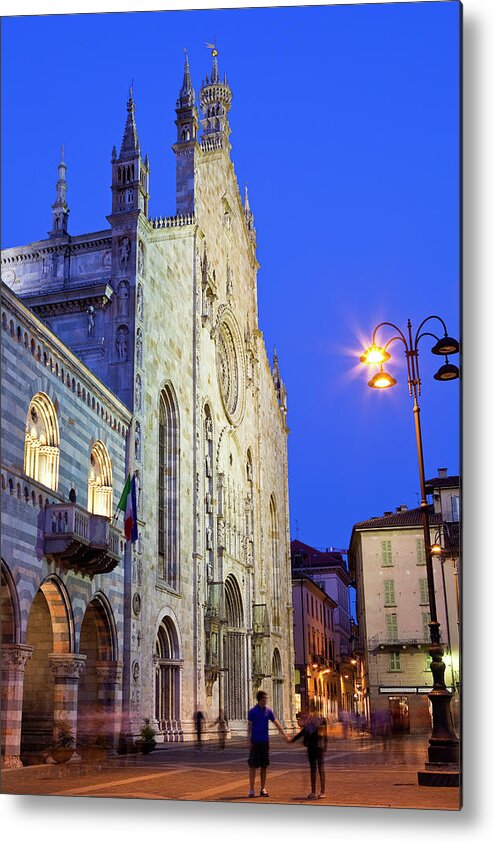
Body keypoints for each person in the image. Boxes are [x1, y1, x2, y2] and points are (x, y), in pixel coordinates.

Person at [247, 690, 287, 798]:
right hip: (255, 742)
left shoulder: (268, 711)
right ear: (260, 699)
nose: (266, 700)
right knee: (253, 766)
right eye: (265, 698)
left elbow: (276, 722)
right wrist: (248, 740)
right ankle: (251, 789)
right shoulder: (252, 711)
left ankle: (262, 788)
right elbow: (249, 726)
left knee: (264, 766)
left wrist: (284, 733)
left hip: (264, 742)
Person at [290, 701, 328, 799]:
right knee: (316, 769)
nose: (311, 711)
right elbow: (304, 732)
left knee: (317, 769)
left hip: (316, 747)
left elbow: (323, 734)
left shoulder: (319, 720)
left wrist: (292, 740)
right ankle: (316, 792)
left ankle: (319, 791)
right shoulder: (316, 720)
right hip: (315, 747)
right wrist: (293, 740)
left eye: (312, 709)